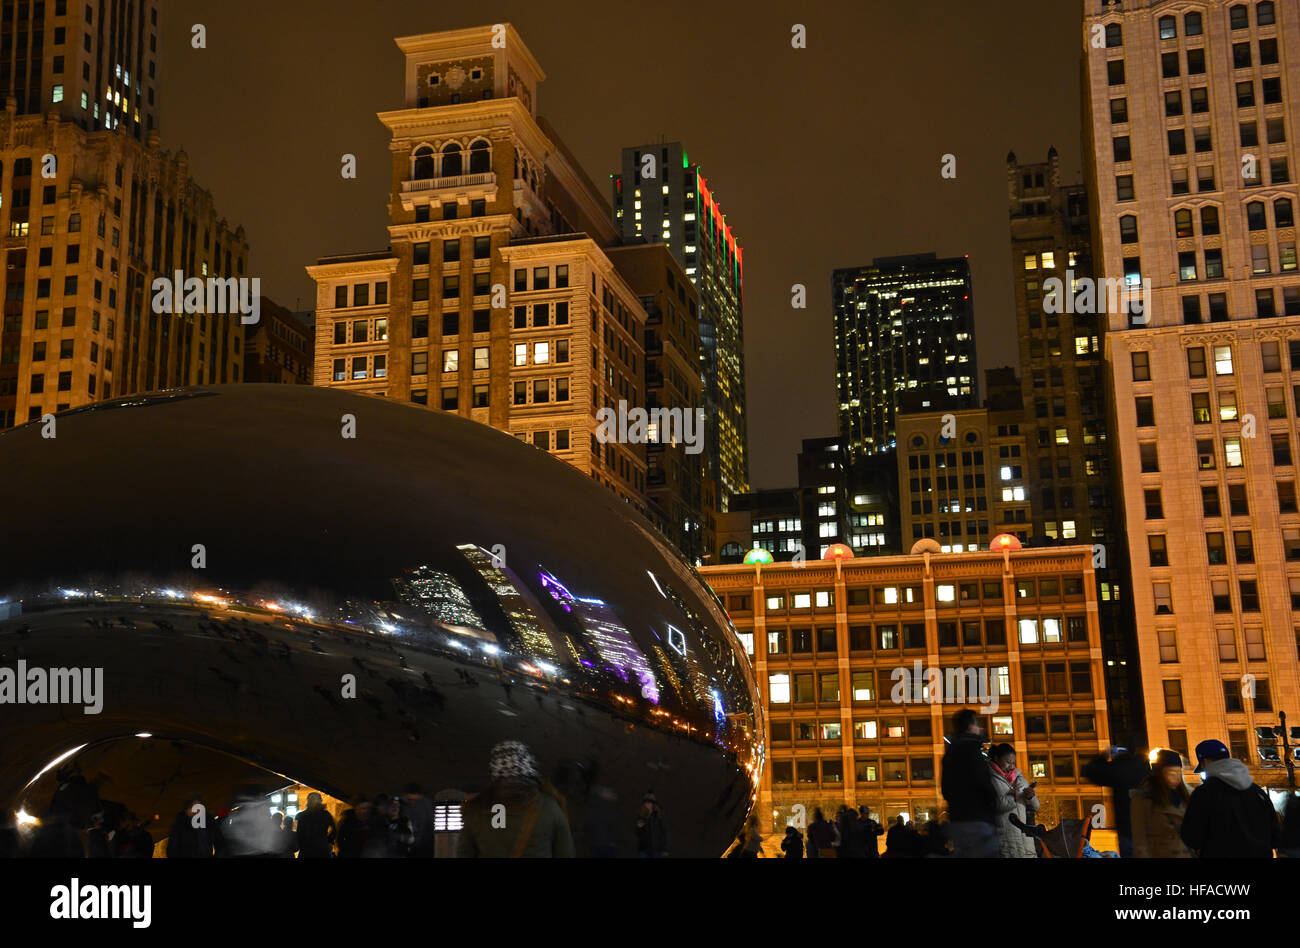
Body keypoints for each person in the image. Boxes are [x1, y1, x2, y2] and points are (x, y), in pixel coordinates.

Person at [457, 741, 575, 857]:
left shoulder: (476, 810)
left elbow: (464, 853)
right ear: (530, 767)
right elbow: (566, 853)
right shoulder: (550, 808)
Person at [1180, 739, 1281, 858]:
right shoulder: (1257, 791)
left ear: (1205, 762)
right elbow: (1275, 835)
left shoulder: (1204, 793)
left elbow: (1192, 838)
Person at [940, 708, 999, 857]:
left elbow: (945, 789)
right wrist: (993, 800)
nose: (979, 728)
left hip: (958, 821)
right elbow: (983, 782)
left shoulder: (950, 753)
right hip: (978, 820)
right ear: (971, 727)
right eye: (977, 724)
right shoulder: (972, 750)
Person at [1082, 738, 1150, 858]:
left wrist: (1104, 755)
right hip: (1146, 825)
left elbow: (1089, 771)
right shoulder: (1143, 766)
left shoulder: (1117, 768)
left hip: (1125, 827)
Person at [1130, 748, 1193, 858]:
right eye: (1171, 773)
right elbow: (1140, 843)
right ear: (1160, 774)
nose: (1176, 777)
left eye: (1179, 772)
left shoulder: (1187, 797)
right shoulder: (1144, 799)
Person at [988, 743, 1036, 858]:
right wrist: (1014, 796)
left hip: (1027, 844)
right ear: (996, 758)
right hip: (1007, 844)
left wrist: (1030, 797)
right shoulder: (990, 778)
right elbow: (995, 805)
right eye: (1008, 762)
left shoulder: (1020, 778)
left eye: (1013, 762)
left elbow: (1036, 806)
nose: (1011, 766)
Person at [295, 792, 336, 858]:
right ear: (320, 801)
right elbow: (334, 829)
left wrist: (301, 845)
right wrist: (329, 841)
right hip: (322, 848)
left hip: (306, 850)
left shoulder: (302, 815)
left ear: (308, 801)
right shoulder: (326, 814)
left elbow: (299, 834)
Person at [401, 784, 436, 858]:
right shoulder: (426, 804)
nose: (412, 803)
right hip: (420, 844)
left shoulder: (424, 805)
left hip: (421, 844)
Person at [635, 792, 669, 858]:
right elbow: (637, 833)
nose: (647, 804)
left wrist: (665, 849)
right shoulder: (641, 816)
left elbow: (664, 833)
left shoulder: (659, 816)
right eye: (646, 802)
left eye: (649, 802)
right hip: (643, 849)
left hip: (656, 849)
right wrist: (639, 827)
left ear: (653, 804)